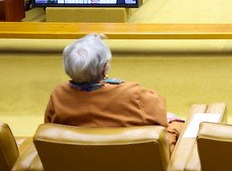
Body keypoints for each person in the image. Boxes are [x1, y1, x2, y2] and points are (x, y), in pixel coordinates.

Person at [44, 34, 184, 153]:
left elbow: (50, 125)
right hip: (129, 160)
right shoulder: (132, 93)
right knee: (175, 123)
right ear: (104, 68)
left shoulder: (58, 95)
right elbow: (160, 117)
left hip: (78, 160)